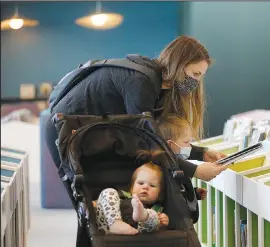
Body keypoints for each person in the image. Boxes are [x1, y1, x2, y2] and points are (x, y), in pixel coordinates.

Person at [46, 35, 226, 184]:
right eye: (195, 74)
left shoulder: (158, 88)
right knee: (91, 205)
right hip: (64, 132)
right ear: (179, 64)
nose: (196, 82)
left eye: (200, 77)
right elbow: (146, 141)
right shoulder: (141, 82)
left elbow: (160, 137)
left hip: (90, 136)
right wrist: (194, 170)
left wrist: (201, 153)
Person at [95, 151, 168, 235]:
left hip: (140, 233)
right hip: (108, 228)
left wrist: (162, 224)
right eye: (140, 183)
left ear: (160, 194)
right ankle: (116, 223)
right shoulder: (121, 196)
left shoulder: (157, 209)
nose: (145, 187)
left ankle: (142, 214)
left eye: (152, 185)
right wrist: (95, 204)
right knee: (109, 192)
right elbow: (103, 204)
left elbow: (160, 230)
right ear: (132, 187)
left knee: (154, 216)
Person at [157, 114, 208, 201]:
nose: (190, 146)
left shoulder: (177, 166)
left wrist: (194, 193)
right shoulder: (164, 171)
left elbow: (180, 191)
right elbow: (171, 197)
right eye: (186, 142)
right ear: (170, 145)